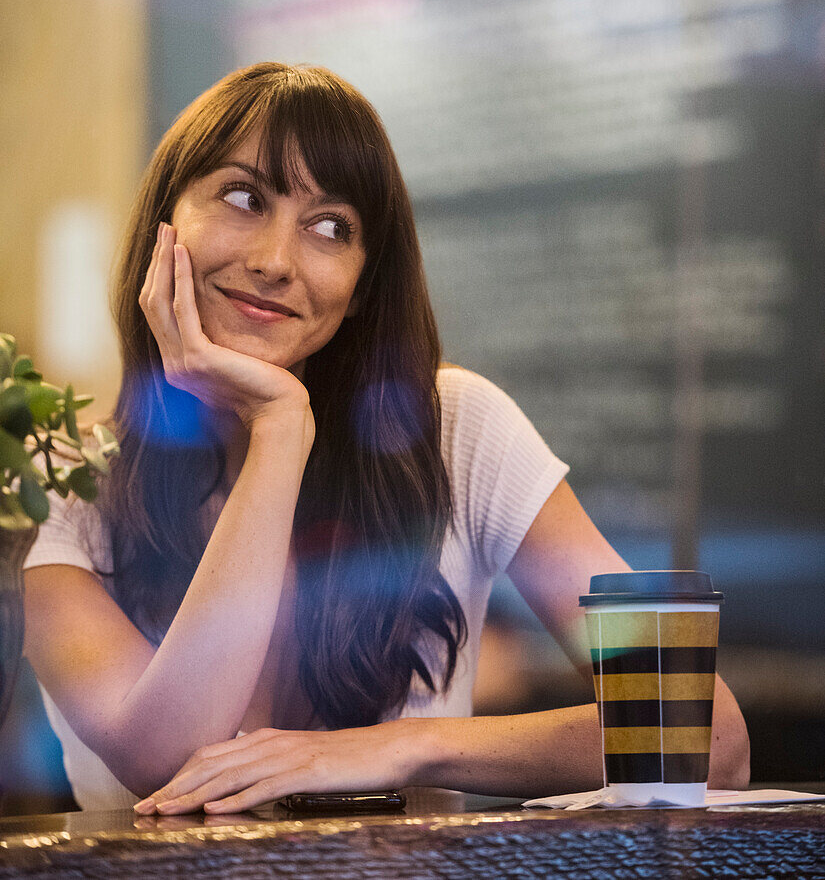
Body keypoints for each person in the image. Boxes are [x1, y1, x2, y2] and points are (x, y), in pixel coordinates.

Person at [23, 63, 750, 814]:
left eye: (330, 227)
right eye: (243, 198)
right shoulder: (57, 482)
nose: (275, 261)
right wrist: (278, 428)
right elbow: (166, 761)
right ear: (163, 223)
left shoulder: (458, 428)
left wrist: (397, 748)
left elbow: (703, 737)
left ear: (364, 282)